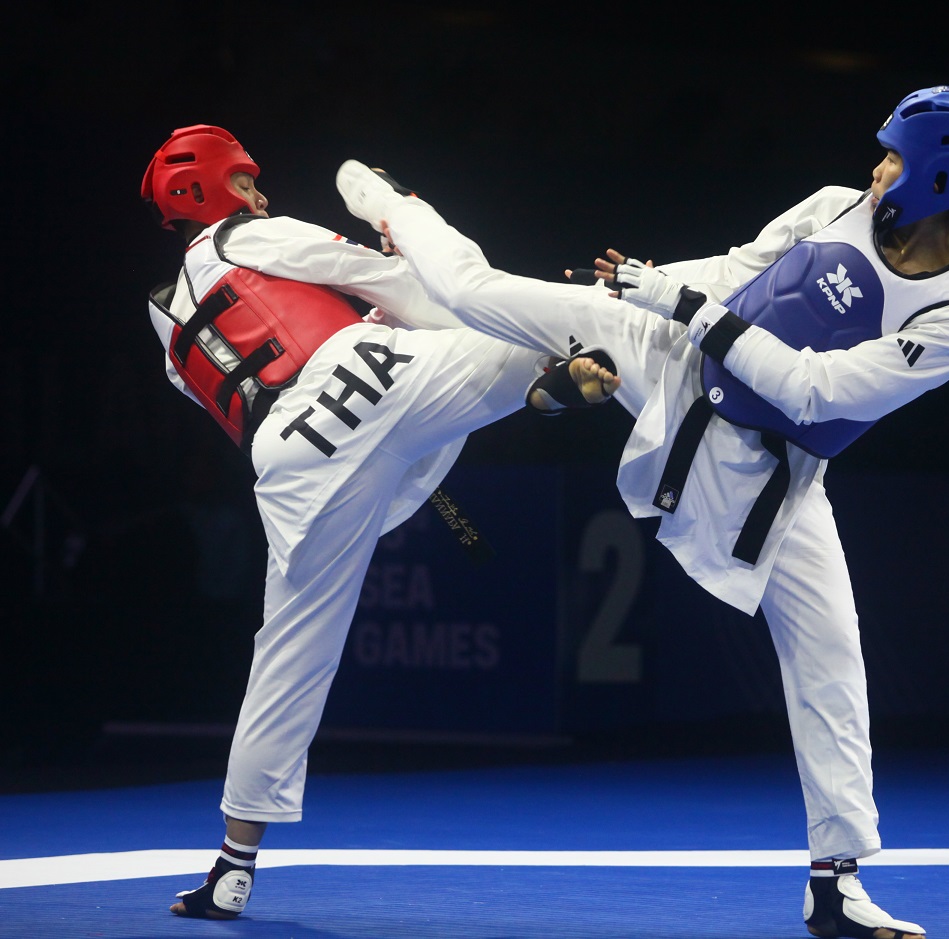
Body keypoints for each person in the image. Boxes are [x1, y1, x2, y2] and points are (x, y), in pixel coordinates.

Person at [336, 85, 949, 939]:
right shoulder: (834, 206)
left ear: (941, 180)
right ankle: (388, 204)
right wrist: (646, 287)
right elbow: (740, 272)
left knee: (833, 654)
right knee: (484, 292)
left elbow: (815, 391)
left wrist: (683, 305)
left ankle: (836, 884)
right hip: (672, 360)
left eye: (893, 157)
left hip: (773, 466)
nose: (877, 169)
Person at [141, 125, 619, 919]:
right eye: (249, 181)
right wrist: (479, 312)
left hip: (289, 466)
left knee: (289, 655)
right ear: (222, 191)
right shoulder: (254, 232)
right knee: (504, 322)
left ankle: (233, 865)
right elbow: (378, 274)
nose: (261, 194)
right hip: (365, 378)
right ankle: (545, 380)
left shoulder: (163, 325)